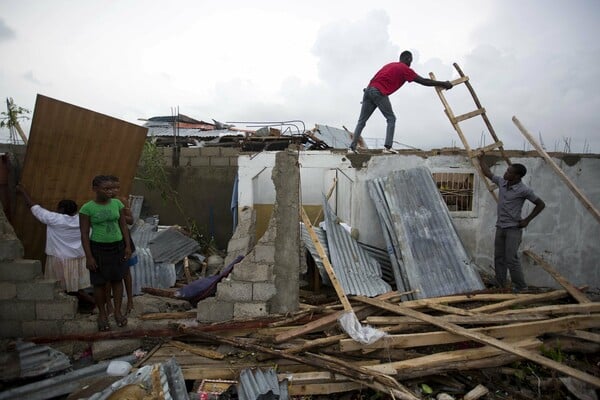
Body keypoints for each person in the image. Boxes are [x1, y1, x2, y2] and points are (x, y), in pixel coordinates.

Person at [349, 50, 453, 154]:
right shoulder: (405, 69)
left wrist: (369, 92)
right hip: (379, 92)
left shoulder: (390, 65)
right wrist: (444, 83)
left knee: (361, 121)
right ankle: (388, 147)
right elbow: (424, 81)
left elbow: (374, 78)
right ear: (408, 59)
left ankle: (352, 148)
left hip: (368, 90)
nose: (411, 64)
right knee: (391, 118)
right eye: (411, 61)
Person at [16, 184, 95, 307]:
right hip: (79, 260)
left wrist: (22, 191)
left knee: (58, 288)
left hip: (59, 260)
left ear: (61, 210)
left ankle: (73, 306)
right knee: (77, 288)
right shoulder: (83, 219)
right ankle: (92, 304)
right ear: (75, 210)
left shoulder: (54, 219)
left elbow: (33, 206)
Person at [478, 155, 546, 293]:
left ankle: (521, 286)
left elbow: (540, 204)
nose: (505, 173)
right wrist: (481, 159)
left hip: (513, 228)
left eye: (509, 172)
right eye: (507, 170)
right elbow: (488, 173)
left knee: (511, 258)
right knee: (499, 256)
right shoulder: (502, 182)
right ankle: (500, 282)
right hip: (500, 226)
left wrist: (527, 220)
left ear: (517, 176)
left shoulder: (524, 190)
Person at [79, 175, 132, 331]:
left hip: (117, 247)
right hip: (98, 249)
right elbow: (84, 234)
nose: (110, 192)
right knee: (99, 283)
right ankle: (102, 314)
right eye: (106, 189)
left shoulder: (117, 204)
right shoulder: (87, 208)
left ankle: (117, 312)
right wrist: (89, 256)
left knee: (117, 280)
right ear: (95, 189)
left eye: (112, 188)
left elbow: (123, 226)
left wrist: (127, 246)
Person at [107, 175, 137, 316]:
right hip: (106, 242)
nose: (114, 191)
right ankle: (109, 305)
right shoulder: (98, 204)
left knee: (125, 272)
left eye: (117, 188)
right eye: (111, 188)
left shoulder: (121, 201)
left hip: (123, 240)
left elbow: (131, 220)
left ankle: (130, 301)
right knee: (107, 275)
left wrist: (117, 214)